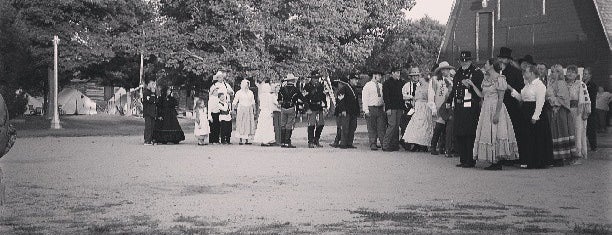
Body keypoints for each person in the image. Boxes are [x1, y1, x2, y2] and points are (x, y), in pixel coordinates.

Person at [470, 58, 519, 170]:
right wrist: (472, 85)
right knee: (488, 132)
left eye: (486, 63)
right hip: (486, 108)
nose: (485, 65)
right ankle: (493, 159)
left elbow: (501, 98)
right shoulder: (486, 79)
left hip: (497, 107)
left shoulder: (500, 79)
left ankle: (497, 161)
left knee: (497, 132)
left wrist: (497, 114)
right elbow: (482, 95)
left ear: (491, 65)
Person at [510, 64, 553, 169]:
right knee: (528, 137)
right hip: (526, 111)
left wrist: (536, 116)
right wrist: (512, 90)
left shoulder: (539, 85)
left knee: (537, 136)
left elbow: (540, 102)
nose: (524, 73)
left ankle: (539, 161)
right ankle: (529, 160)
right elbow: (522, 98)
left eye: (526, 72)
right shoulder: (527, 85)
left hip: (535, 113)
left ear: (532, 73)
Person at [447, 51, 483, 167]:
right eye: (461, 60)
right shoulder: (458, 72)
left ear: (470, 60)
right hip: (459, 105)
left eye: (466, 60)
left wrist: (469, 85)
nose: (463, 63)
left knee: (469, 133)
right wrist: (449, 100)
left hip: (470, 106)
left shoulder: (476, 73)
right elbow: (454, 89)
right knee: (460, 132)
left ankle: (470, 159)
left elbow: (479, 92)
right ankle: (463, 158)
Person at [498, 47, 525, 165]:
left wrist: (509, 88)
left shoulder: (516, 72)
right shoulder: (497, 71)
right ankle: (503, 155)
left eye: (504, 58)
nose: (501, 60)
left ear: (508, 60)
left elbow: (520, 91)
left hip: (512, 106)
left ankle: (513, 156)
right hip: (500, 104)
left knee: (512, 131)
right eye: (500, 58)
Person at [546, 64, 577, 165]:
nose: (552, 74)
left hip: (560, 112)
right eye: (551, 71)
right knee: (554, 133)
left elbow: (562, 99)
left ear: (559, 73)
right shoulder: (552, 83)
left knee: (561, 132)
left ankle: (562, 157)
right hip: (553, 111)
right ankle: (556, 157)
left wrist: (551, 99)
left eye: (554, 71)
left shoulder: (561, 83)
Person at [401, 68, 433, 152]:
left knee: (423, 125)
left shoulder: (424, 86)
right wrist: (411, 98)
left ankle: (422, 144)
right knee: (412, 125)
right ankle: (411, 143)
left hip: (422, 107)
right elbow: (403, 96)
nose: (415, 78)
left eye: (417, 76)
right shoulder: (407, 85)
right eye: (413, 76)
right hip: (410, 107)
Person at [428, 61, 454, 155]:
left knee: (447, 128)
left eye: (447, 69)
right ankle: (433, 146)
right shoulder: (435, 80)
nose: (445, 71)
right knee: (438, 127)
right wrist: (433, 107)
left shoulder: (451, 80)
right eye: (443, 69)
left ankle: (443, 147)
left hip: (448, 106)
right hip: (438, 106)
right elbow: (431, 94)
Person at [567, 65, 591, 161]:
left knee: (578, 131)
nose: (570, 73)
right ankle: (569, 152)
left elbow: (586, 99)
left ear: (576, 74)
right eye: (568, 71)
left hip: (578, 111)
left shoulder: (581, 84)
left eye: (573, 72)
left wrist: (586, 112)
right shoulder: (564, 84)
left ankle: (578, 152)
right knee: (569, 131)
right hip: (567, 111)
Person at [277, 73, 304, 148]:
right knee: (289, 125)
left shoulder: (282, 89)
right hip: (291, 107)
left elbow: (279, 100)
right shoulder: (295, 89)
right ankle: (287, 142)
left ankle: (282, 142)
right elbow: (301, 98)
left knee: (283, 125)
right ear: (293, 80)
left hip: (283, 108)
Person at [382, 69, 406, 152]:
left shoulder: (402, 83)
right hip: (391, 108)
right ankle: (385, 144)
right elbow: (386, 97)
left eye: (399, 72)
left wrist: (403, 108)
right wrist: (388, 108)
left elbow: (403, 96)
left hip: (399, 107)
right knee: (391, 125)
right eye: (397, 73)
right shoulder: (387, 83)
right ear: (392, 73)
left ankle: (394, 144)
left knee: (397, 126)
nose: (398, 74)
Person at [304, 70, 328, 148]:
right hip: (311, 106)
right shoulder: (307, 86)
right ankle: (310, 141)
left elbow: (323, 97)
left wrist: (325, 106)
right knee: (311, 125)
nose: (316, 80)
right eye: (315, 78)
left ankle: (316, 139)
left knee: (321, 124)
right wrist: (307, 108)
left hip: (319, 107)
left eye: (317, 78)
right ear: (311, 78)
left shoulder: (321, 86)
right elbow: (305, 98)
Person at [362, 73, 386, 150]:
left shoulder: (380, 85)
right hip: (371, 107)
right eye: (379, 75)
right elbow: (365, 98)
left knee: (381, 126)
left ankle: (383, 143)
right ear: (374, 75)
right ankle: (373, 143)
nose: (380, 77)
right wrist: (366, 110)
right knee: (372, 127)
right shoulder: (368, 86)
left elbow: (383, 98)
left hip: (380, 108)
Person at [335, 75, 360, 149]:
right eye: (355, 80)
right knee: (345, 128)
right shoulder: (344, 89)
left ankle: (349, 143)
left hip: (353, 111)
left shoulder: (354, 89)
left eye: (357, 80)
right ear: (350, 80)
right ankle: (343, 143)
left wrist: (357, 111)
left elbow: (356, 102)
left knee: (352, 128)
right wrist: (343, 110)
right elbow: (341, 101)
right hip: (346, 111)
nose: (356, 81)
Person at [254, 79, 277, 146]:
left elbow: (260, 105)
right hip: (268, 111)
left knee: (262, 126)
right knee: (268, 126)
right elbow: (270, 105)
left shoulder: (261, 96)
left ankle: (263, 140)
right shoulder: (269, 96)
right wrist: (271, 112)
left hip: (262, 112)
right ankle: (267, 140)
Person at [233, 79, 256, 145]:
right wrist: (233, 109)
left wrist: (254, 110)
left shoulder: (250, 92)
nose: (247, 86)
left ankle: (247, 140)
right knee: (241, 123)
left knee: (248, 124)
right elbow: (235, 101)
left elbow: (253, 102)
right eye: (246, 85)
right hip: (241, 109)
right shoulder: (239, 92)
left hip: (249, 109)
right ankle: (240, 140)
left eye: (248, 85)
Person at [583, 68, 598, 151]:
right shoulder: (581, 84)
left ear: (590, 75)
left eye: (586, 74)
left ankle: (593, 146)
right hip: (582, 109)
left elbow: (591, 98)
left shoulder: (592, 85)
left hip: (590, 110)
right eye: (584, 74)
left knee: (591, 129)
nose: (584, 75)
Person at [142, 79, 158, 145]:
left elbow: (156, 101)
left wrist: (153, 96)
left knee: (152, 126)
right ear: (148, 84)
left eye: (154, 84)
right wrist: (153, 98)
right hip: (148, 112)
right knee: (148, 126)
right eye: (152, 84)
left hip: (153, 112)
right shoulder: (146, 92)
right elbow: (149, 100)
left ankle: (151, 139)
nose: (153, 86)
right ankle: (146, 140)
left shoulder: (153, 92)